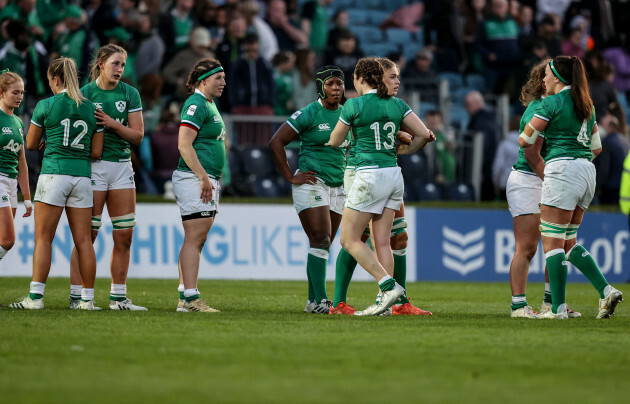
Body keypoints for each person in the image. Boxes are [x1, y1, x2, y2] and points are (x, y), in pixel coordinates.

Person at [328, 57, 435, 316]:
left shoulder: (354, 105)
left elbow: (335, 141)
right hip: (392, 173)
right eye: (393, 76)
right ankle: (369, 302)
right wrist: (405, 145)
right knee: (381, 241)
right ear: (380, 78)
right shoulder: (397, 105)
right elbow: (423, 134)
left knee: (350, 238)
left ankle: (387, 288)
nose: (397, 81)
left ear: (361, 78)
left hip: (367, 173)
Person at [519, 56, 623, 319]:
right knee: (568, 241)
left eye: (547, 74)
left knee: (552, 242)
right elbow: (596, 148)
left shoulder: (551, 103)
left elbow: (526, 139)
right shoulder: (587, 105)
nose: (543, 79)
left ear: (557, 78)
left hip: (562, 169)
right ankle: (606, 290)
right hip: (587, 171)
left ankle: (557, 309)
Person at [10, 57, 103, 310]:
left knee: (43, 239)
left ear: (55, 79)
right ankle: (87, 300)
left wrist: (48, 141)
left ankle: (36, 298)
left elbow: (29, 144)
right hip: (82, 177)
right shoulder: (92, 108)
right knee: (84, 241)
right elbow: (96, 152)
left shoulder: (46, 105)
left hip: (53, 174)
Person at [68, 44, 146, 311]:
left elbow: (138, 136)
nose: (120, 70)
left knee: (124, 235)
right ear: (100, 63)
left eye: (123, 65)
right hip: (94, 168)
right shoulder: (85, 94)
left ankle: (118, 298)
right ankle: (78, 297)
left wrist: (113, 124)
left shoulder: (130, 93)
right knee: (86, 235)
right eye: (116, 64)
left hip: (122, 167)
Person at [506, 60, 580, 319]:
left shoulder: (564, 107)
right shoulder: (538, 108)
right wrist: (551, 179)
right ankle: (518, 306)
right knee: (527, 247)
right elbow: (530, 152)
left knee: (556, 244)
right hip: (528, 179)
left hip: (549, 177)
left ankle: (552, 303)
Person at [269, 65, 346, 314]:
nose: (336, 88)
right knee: (321, 238)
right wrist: (290, 176)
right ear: (320, 88)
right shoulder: (308, 113)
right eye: (330, 84)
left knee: (323, 244)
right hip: (313, 182)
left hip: (339, 185)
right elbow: (276, 142)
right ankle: (323, 300)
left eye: (340, 84)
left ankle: (312, 302)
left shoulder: (348, 114)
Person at [173, 58, 226, 313]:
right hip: (195, 178)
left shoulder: (208, 104)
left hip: (205, 178)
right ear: (204, 80)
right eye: (219, 78)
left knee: (196, 239)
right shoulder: (195, 104)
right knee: (195, 238)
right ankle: (192, 298)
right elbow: (184, 144)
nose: (223, 83)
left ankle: (185, 295)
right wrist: (203, 177)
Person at [0, 70, 32, 264]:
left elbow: (22, 161)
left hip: (11, 183)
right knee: (8, 240)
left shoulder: (18, 122)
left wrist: (27, 198)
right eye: (15, 92)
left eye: (22, 92)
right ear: (1, 93)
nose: (20, 96)